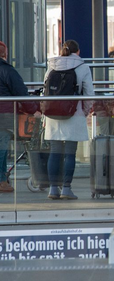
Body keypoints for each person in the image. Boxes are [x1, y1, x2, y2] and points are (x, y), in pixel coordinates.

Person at [43, 40, 94, 200]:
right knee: (70, 154)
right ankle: (66, 189)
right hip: (74, 113)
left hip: (53, 114)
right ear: (77, 52)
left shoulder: (52, 66)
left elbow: (45, 90)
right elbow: (89, 94)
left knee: (55, 152)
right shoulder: (83, 67)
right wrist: (84, 112)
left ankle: (53, 189)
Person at [0, 41, 33, 193]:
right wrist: (33, 109)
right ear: (4, 54)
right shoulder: (7, 70)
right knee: (2, 147)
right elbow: (21, 92)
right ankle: (1, 181)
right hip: (4, 115)